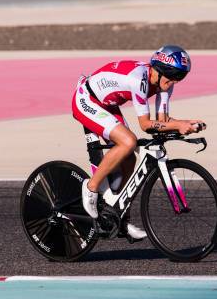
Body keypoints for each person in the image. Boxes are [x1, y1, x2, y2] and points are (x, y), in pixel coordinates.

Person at [71, 45, 205, 240]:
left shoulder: (165, 82)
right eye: (173, 74)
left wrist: (185, 123)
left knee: (129, 158)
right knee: (128, 142)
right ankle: (90, 188)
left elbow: (163, 120)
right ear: (158, 70)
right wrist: (179, 125)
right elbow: (146, 125)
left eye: (180, 76)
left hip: (107, 105)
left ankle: (116, 213)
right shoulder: (139, 79)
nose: (175, 80)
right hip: (86, 100)